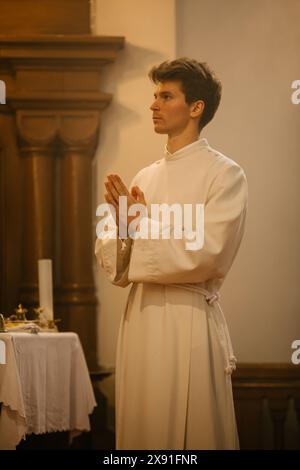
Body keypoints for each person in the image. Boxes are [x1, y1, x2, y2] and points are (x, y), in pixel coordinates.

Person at [95, 58, 248, 450]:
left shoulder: (225, 175)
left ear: (196, 107)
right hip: (142, 320)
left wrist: (140, 225)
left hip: (189, 321)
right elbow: (115, 261)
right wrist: (125, 228)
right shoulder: (146, 176)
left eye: (166, 96)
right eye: (154, 96)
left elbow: (209, 253)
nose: (154, 105)